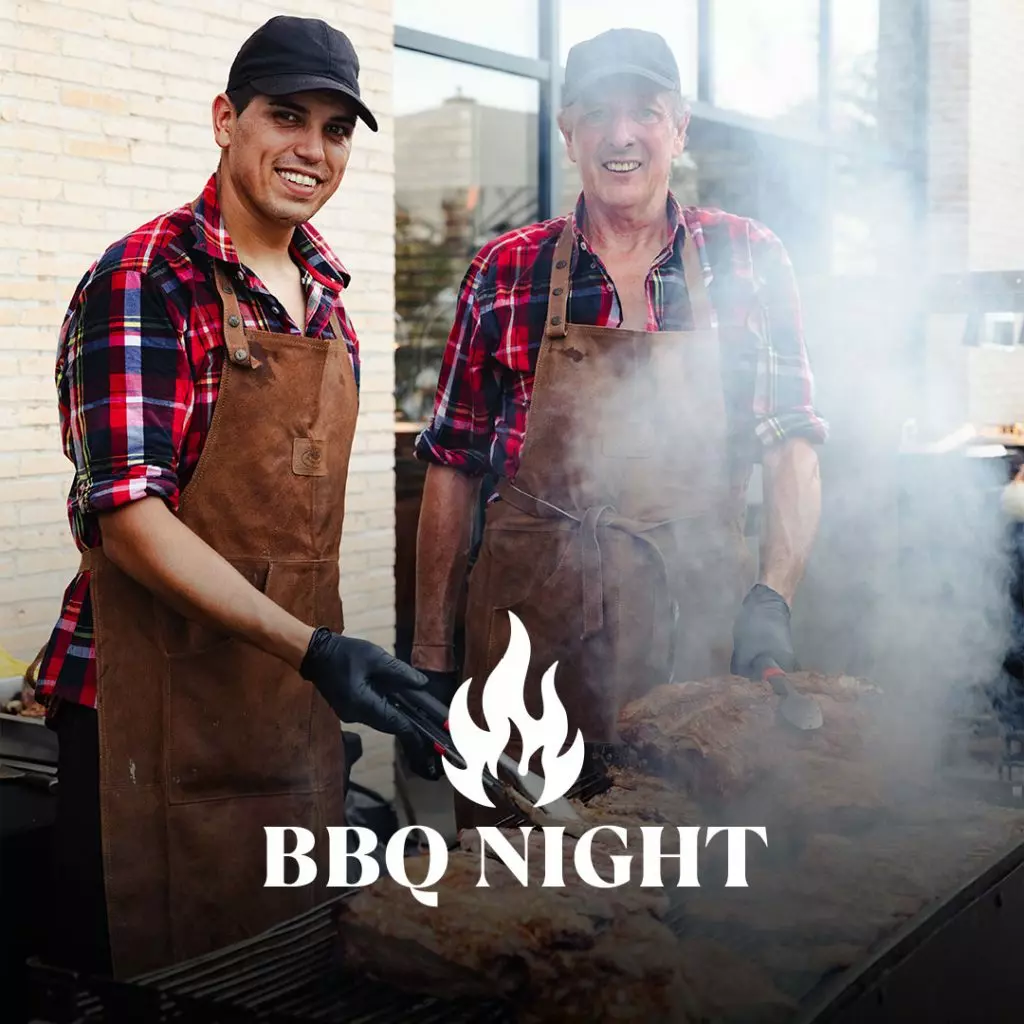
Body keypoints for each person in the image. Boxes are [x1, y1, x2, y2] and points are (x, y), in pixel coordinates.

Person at [35, 16, 427, 980]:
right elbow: (129, 520)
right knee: (156, 980)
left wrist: (329, 672)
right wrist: (317, 651)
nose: (312, 149)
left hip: (286, 711)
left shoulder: (328, 294)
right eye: (286, 115)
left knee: (280, 978)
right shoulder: (145, 278)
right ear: (224, 119)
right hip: (147, 718)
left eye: (337, 130)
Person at [411, 28, 827, 827]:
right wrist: (431, 657)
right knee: (514, 898)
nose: (621, 134)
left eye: (645, 110)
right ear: (567, 132)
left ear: (680, 125)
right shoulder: (505, 270)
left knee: (689, 881)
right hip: (525, 643)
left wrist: (771, 597)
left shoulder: (748, 257)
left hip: (691, 636)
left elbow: (792, 439)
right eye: (597, 113)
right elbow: (452, 463)